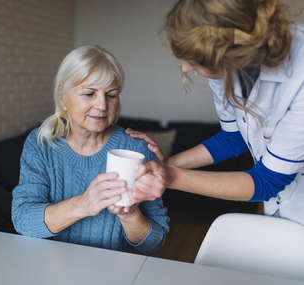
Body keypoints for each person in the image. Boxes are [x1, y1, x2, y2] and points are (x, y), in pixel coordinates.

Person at [127, 0, 304, 226]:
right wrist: (167, 164)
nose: (185, 67)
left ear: (231, 54)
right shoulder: (226, 68)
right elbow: (234, 138)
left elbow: (267, 181)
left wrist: (171, 177)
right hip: (282, 209)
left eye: (194, 59)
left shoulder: (300, 72)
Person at [12, 45, 169, 255]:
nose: (103, 105)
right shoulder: (41, 144)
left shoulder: (136, 148)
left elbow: (154, 242)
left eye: (111, 95)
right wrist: (83, 204)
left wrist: (129, 215)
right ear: (62, 97)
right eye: (89, 93)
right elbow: (23, 220)